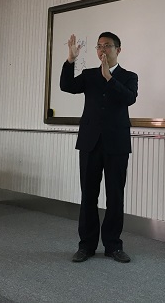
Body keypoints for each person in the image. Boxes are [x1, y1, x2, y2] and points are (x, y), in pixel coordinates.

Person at [60, 32, 138, 263]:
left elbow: (129, 98)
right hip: (90, 142)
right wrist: (71, 60)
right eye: (99, 46)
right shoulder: (89, 75)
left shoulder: (129, 76)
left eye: (107, 46)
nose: (102, 50)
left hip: (117, 144)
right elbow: (67, 86)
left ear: (118, 50)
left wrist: (109, 78)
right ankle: (86, 245)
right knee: (88, 195)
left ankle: (113, 246)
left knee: (115, 196)